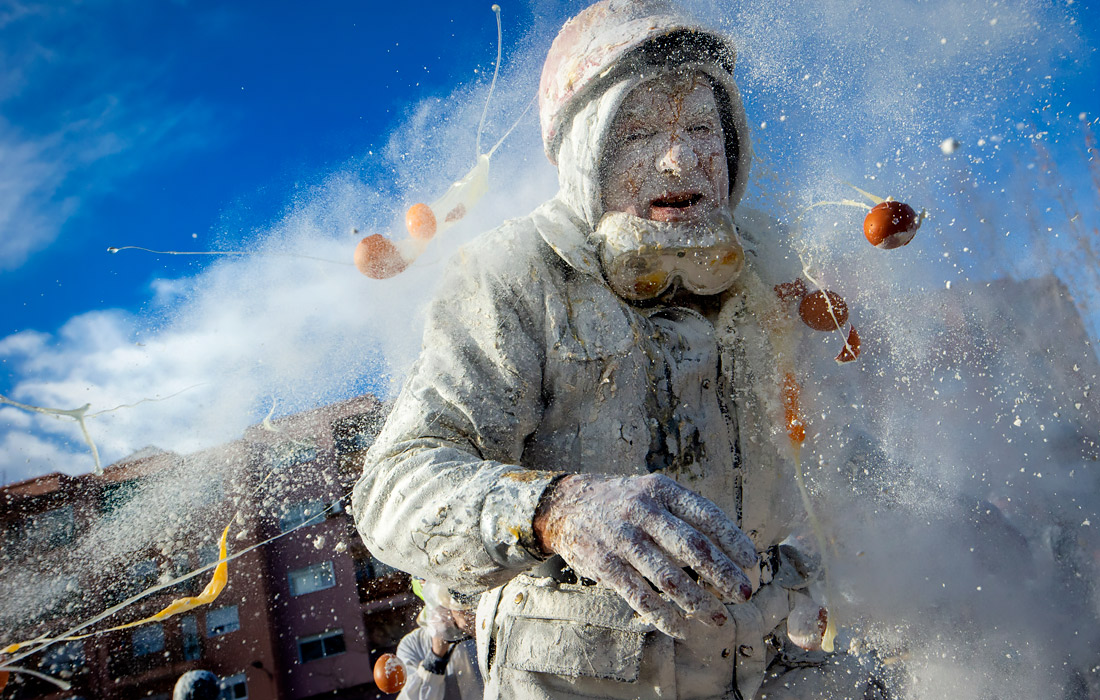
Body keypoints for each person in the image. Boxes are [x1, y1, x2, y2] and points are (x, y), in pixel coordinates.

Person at [353, 1, 877, 698]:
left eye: (701, 127)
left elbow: (847, 459)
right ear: (584, 154)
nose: (681, 157)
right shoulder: (513, 274)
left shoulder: (777, 269)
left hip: (773, 668)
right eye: (638, 132)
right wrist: (555, 508)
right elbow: (395, 488)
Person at [394, 581, 483, 700]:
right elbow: (413, 696)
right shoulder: (412, 644)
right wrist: (436, 654)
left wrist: (479, 629)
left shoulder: (479, 615)